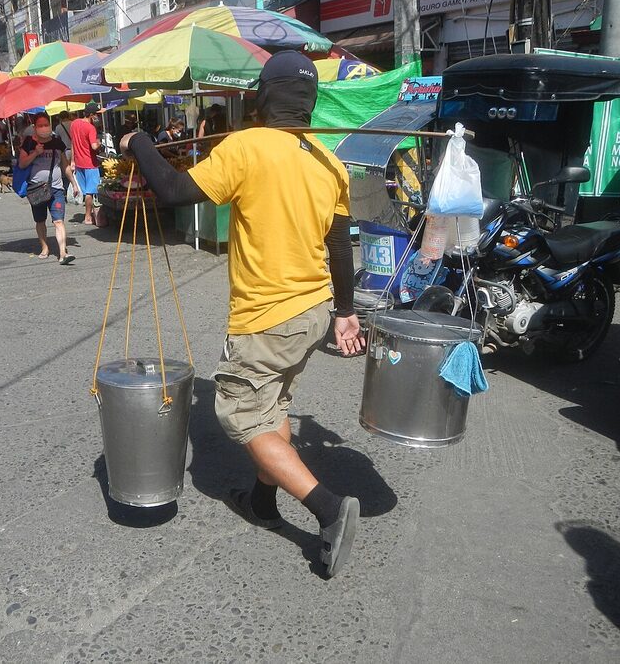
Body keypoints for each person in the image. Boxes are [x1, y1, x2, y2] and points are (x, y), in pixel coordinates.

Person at [120, 51, 366, 578]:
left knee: (239, 414)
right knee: (273, 404)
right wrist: (345, 313)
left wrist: (138, 141)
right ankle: (260, 500)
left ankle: (327, 509)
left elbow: (174, 190)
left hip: (267, 318)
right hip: (314, 311)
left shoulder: (247, 147)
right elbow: (341, 248)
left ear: (263, 96)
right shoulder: (329, 162)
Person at [18, 113, 81, 265]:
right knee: (40, 221)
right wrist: (35, 153)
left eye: (46, 124)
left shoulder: (57, 143)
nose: (44, 128)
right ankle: (45, 247)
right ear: (35, 127)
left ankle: (63, 253)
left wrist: (73, 183)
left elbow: (64, 165)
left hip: (56, 188)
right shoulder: (28, 143)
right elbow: (22, 164)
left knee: (58, 221)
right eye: (40, 125)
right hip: (36, 188)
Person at [69, 102, 105, 227]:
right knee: (90, 191)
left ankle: (89, 215)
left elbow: (72, 143)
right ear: (91, 115)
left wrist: (72, 160)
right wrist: (100, 143)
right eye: (96, 115)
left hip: (79, 163)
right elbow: (94, 146)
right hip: (90, 163)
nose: (98, 117)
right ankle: (88, 216)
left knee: (86, 192)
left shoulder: (74, 124)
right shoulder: (91, 128)